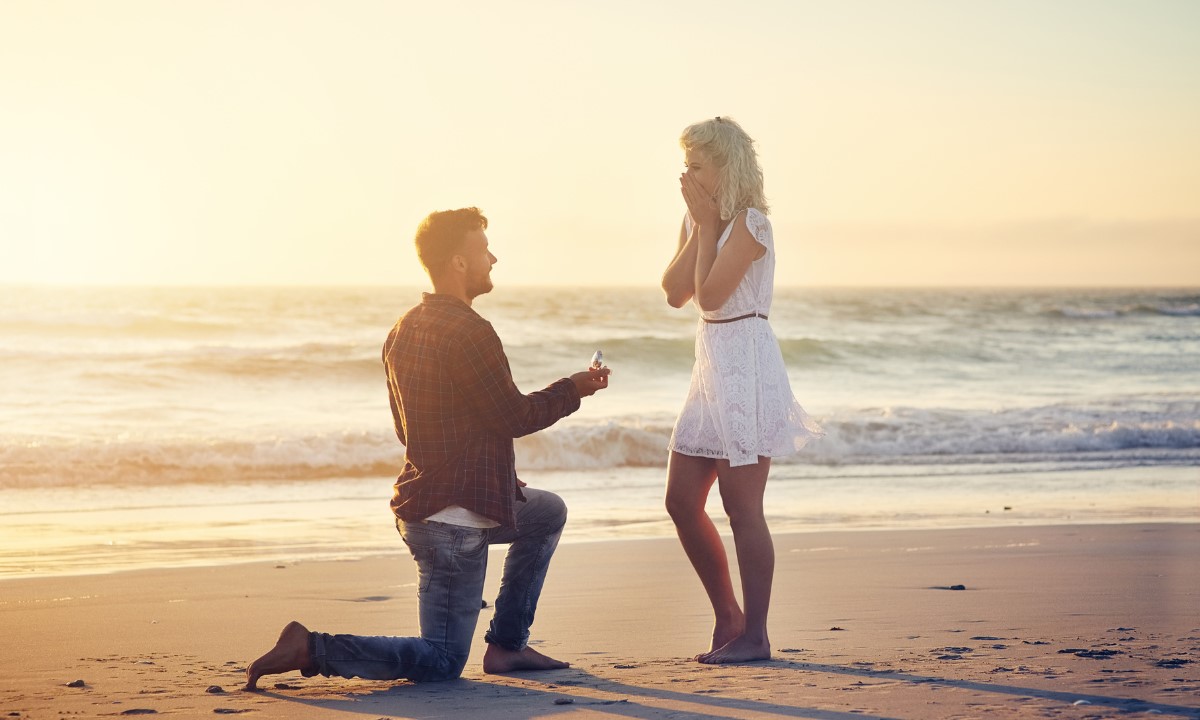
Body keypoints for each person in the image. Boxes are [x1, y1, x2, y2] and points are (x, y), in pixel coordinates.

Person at [245, 207, 610, 689]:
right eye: (484, 249)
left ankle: (507, 644)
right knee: (441, 661)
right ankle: (312, 647)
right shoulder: (470, 330)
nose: (493, 258)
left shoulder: (403, 329)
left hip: (428, 506)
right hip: (451, 527)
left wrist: (494, 474)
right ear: (459, 262)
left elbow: (412, 430)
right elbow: (514, 417)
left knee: (545, 512)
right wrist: (574, 388)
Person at [660, 117, 823, 664]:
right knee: (681, 501)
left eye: (697, 165)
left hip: (748, 365)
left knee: (741, 504)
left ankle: (755, 634)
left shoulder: (753, 225)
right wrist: (698, 223)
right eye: (685, 164)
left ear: (725, 166)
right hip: (710, 367)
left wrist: (708, 227)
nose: (687, 174)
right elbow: (674, 292)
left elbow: (711, 297)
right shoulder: (696, 216)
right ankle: (726, 614)